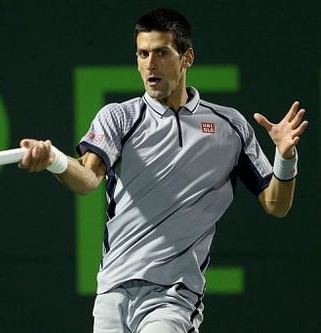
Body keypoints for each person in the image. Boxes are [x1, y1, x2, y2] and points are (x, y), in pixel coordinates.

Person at [18, 8, 308, 333]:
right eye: (142, 54)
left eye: (161, 53)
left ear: (187, 58)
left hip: (173, 296)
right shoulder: (119, 118)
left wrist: (285, 157)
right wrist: (54, 159)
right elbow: (87, 180)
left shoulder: (230, 127)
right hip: (113, 291)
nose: (149, 65)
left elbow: (276, 204)